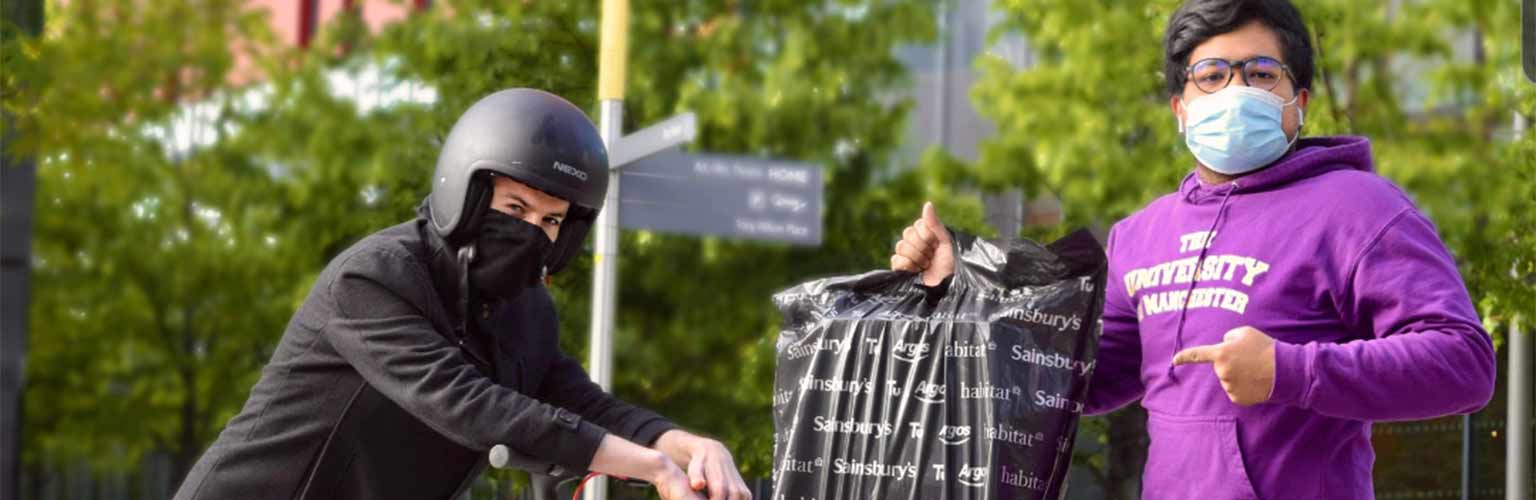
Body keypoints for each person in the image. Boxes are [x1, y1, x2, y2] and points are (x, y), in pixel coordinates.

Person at [889, 0, 1496, 498]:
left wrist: (1291, 372)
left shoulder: (1360, 209)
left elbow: (1465, 363)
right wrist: (957, 290)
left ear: (1299, 102)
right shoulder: (1142, 233)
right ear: (1181, 109)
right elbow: (1086, 381)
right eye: (1212, 75)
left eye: (1261, 73)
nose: (1236, 89)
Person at [174, 89, 750, 500]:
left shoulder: (526, 312)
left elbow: (582, 403)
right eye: (515, 208)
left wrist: (685, 445)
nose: (531, 232)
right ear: (467, 194)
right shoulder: (374, 280)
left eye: (551, 222)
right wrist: (650, 467)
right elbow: (472, 404)